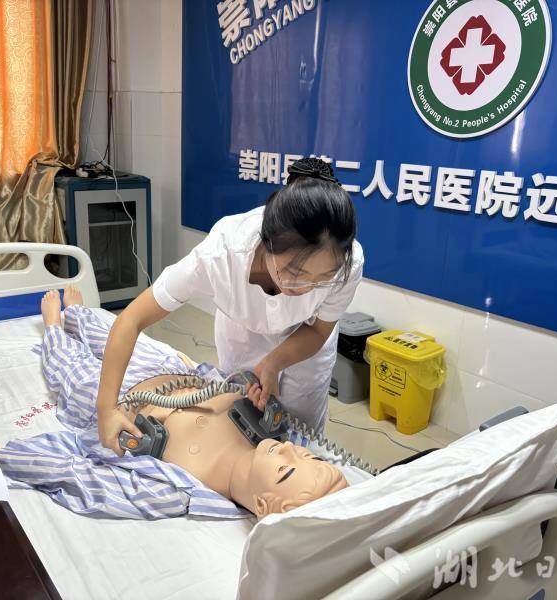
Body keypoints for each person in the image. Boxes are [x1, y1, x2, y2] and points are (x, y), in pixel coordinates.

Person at [0, 288, 348, 519]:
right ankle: (78, 314)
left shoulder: (182, 491)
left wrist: (5, 457)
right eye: (307, 456)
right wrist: (251, 392)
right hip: (169, 370)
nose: (289, 450)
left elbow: (84, 478)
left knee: (70, 367)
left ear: (262, 506)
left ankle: (54, 327)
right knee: (111, 331)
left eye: (286, 470)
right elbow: (234, 386)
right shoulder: (274, 434)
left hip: (120, 404)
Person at [96, 157, 363, 456]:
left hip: (305, 346)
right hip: (243, 333)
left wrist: (274, 363)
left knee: (301, 439)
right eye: (295, 273)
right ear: (268, 243)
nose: (305, 288)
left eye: (322, 279)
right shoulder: (219, 257)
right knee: (239, 426)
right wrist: (106, 410)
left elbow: (319, 330)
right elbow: (131, 319)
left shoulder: (347, 263)